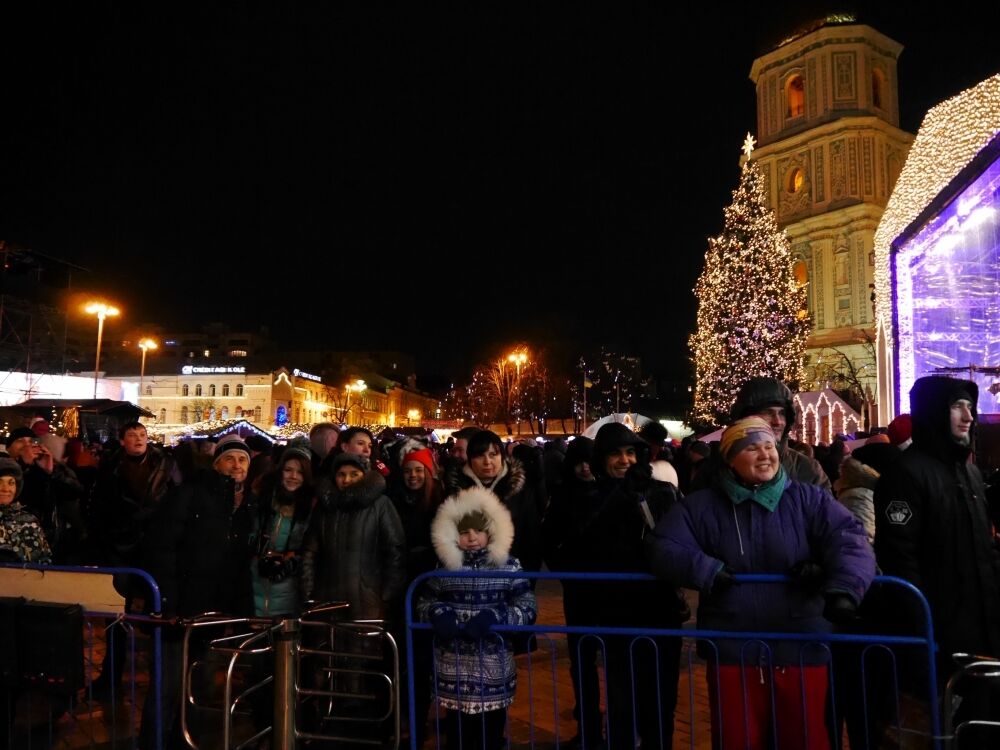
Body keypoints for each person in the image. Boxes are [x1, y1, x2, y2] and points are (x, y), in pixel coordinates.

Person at [647, 416, 874, 750]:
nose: (765, 455)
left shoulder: (809, 500)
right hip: (733, 649)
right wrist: (705, 569)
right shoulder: (702, 506)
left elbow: (850, 540)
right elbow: (662, 546)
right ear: (730, 458)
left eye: (769, 446)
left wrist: (842, 586)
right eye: (752, 448)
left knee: (805, 738)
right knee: (739, 739)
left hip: (800, 646)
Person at [874, 376, 1000, 737]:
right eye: (957, 407)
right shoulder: (906, 473)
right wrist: (925, 627)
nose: (969, 416)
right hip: (939, 633)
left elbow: (983, 547)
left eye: (970, 407)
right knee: (938, 728)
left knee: (979, 726)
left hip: (981, 629)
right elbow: (901, 558)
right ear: (934, 412)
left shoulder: (970, 472)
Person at [559, 422, 686, 750]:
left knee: (660, 702)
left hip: (660, 612)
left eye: (630, 452)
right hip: (616, 614)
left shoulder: (661, 492)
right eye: (615, 453)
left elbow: (678, 541)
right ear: (601, 459)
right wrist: (619, 496)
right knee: (621, 703)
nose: (624, 460)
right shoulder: (590, 497)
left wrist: (647, 497)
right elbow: (578, 543)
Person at [139, 433, 257, 749]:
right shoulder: (191, 494)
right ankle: (153, 742)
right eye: (229, 458)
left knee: (198, 687)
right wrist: (168, 602)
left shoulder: (246, 505)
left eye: (242, 459)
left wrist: (243, 613)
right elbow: (163, 548)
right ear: (216, 463)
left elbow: (239, 563)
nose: (236, 465)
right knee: (168, 686)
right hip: (179, 612)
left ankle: (181, 742)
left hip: (212, 613)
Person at [418, 487, 537, 750]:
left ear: (490, 532)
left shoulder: (508, 565)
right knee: (457, 735)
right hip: (453, 666)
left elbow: (526, 605)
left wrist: (495, 617)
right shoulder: (445, 568)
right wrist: (439, 613)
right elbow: (426, 601)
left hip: (493, 665)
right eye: (463, 532)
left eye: (478, 531)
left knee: (491, 734)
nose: (471, 537)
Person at [90, 421, 179, 692]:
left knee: (156, 615)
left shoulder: (166, 466)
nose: (139, 440)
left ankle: (159, 679)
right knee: (116, 615)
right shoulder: (110, 470)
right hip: (120, 550)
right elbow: (99, 509)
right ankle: (111, 676)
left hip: (155, 548)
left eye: (142, 435)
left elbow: (177, 504)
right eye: (132, 435)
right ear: (122, 441)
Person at [540, 436, 603, 746]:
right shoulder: (563, 496)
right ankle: (588, 725)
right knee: (582, 659)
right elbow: (548, 540)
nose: (585, 468)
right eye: (579, 461)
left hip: (611, 591)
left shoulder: (610, 491)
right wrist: (565, 568)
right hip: (578, 590)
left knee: (617, 660)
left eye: (589, 461)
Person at [0, 457, 51, 750]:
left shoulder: (27, 520)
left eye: (11, 483)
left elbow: (43, 559)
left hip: (17, 609)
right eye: (1, 482)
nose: (5, 488)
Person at [443, 429, 542, 574]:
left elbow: (532, 538)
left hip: (512, 575)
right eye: (480, 455)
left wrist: (527, 576)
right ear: (470, 458)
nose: (487, 461)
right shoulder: (456, 490)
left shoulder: (520, 491)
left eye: (493, 454)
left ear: (502, 456)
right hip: (466, 576)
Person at [727, 376, 831, 490]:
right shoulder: (714, 467)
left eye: (782, 413)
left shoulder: (807, 469)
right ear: (746, 417)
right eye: (768, 412)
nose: (778, 422)